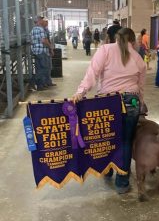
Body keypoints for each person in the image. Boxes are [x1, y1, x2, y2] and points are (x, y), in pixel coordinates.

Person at [70, 28, 146, 194]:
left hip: (107, 102)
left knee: (106, 138)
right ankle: (122, 183)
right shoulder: (139, 58)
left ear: (115, 38)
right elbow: (140, 87)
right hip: (131, 101)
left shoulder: (105, 50)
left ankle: (107, 170)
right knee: (125, 141)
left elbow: (92, 75)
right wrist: (141, 104)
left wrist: (80, 93)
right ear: (132, 42)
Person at [30, 16, 53, 91]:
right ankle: (33, 80)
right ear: (39, 21)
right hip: (42, 51)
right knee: (45, 68)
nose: (43, 21)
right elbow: (44, 41)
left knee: (39, 68)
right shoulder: (41, 29)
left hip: (35, 51)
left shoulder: (33, 29)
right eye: (42, 20)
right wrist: (50, 47)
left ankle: (39, 86)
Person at [43, 19, 56, 87]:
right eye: (46, 22)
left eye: (47, 22)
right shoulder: (43, 30)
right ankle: (45, 82)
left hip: (47, 50)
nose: (47, 23)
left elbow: (48, 39)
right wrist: (50, 48)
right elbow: (45, 40)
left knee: (49, 67)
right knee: (46, 67)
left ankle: (48, 81)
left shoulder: (46, 30)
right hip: (45, 51)